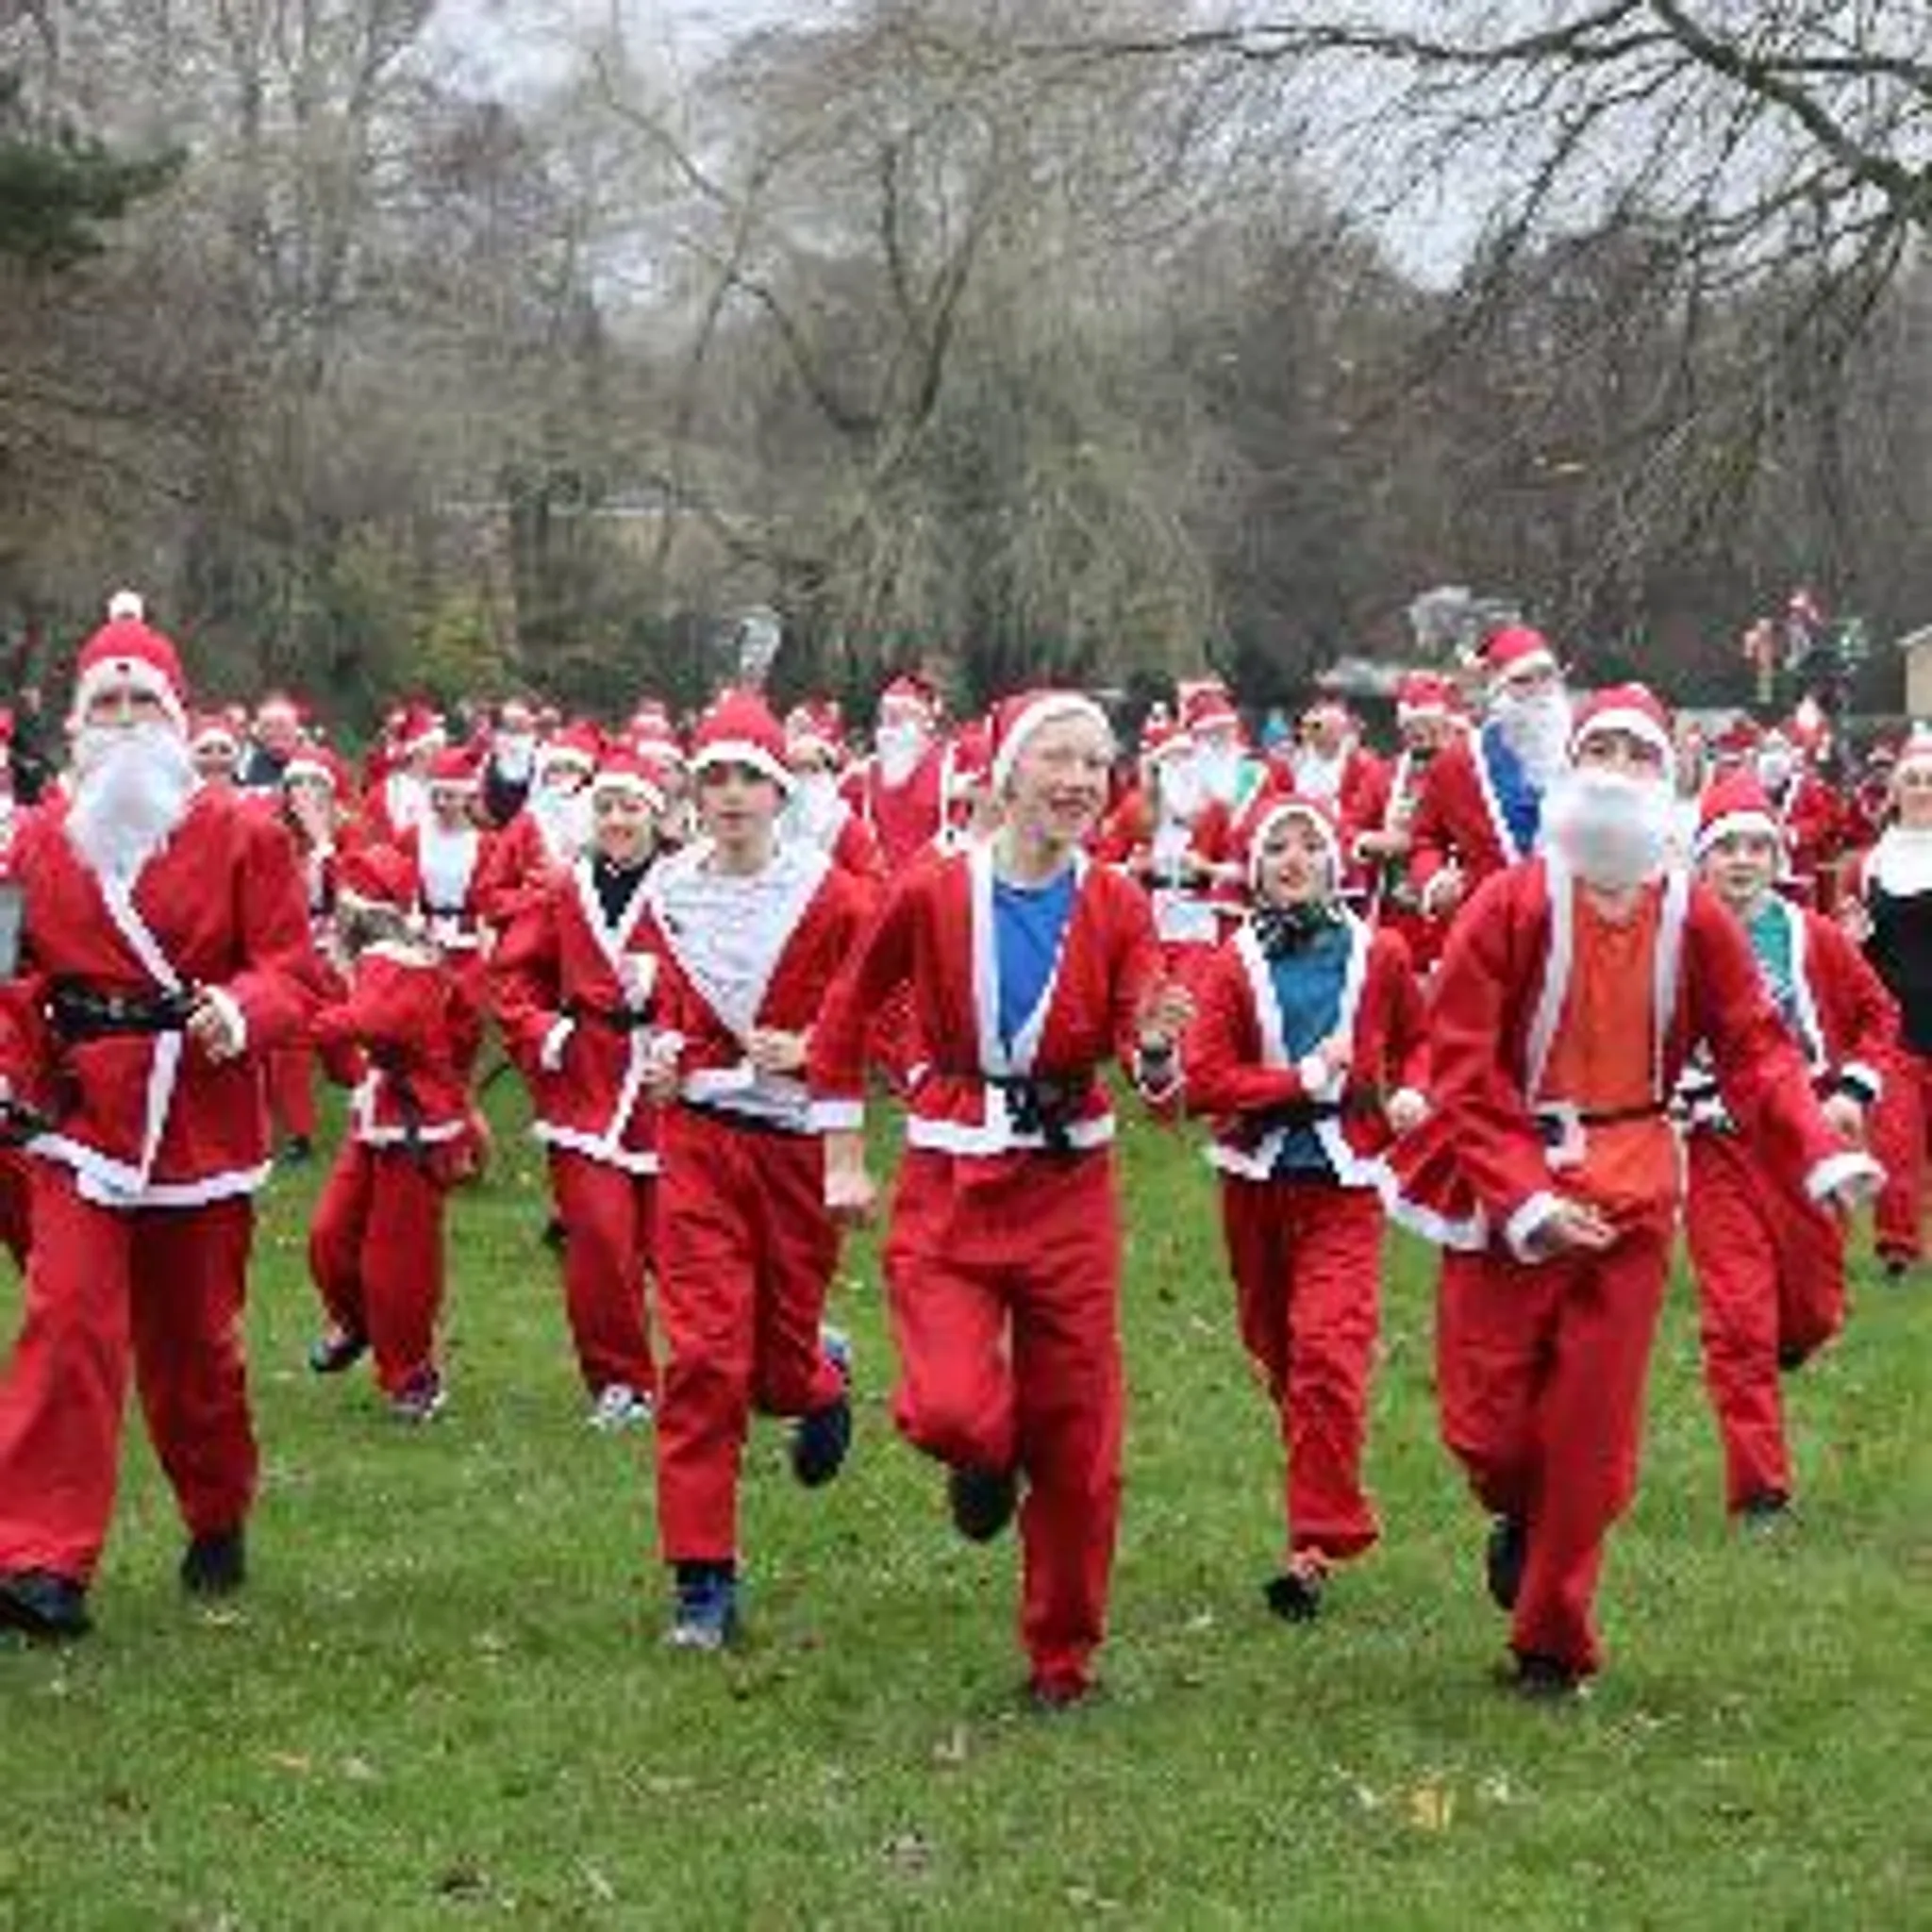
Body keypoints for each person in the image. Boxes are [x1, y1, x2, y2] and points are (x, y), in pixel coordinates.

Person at [1389, 685, 1877, 1696]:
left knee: (1593, 1440)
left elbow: (1752, 1047)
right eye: (1595, 747)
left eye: (1634, 752)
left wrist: (1815, 1149)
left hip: (1633, 1195)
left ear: (1666, 780)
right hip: (1508, 1190)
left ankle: (1549, 1642)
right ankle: (1517, 1510)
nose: (1613, 766)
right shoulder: (1509, 903)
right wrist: (1524, 1196)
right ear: (1568, 768)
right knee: (1483, 1425)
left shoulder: (1691, 914)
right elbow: (1463, 1064)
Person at [811, 690, 1190, 1709]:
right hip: (950, 1181)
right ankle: (981, 1456)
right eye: (1055, 758)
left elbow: (1140, 1035)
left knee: (1080, 1439)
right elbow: (841, 1014)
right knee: (946, 1406)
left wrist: (1154, 1051)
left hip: (1068, 1184)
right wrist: (844, 1155)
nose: (1076, 780)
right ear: (1006, 775)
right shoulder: (933, 890)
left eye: (1094, 762)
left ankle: (1060, 1657)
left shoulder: (1114, 900)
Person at [0, 612, 317, 1640]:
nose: (127, 722)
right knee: (68, 1323)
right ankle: (38, 1561)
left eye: (145, 703)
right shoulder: (42, 838)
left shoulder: (243, 832)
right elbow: (18, 981)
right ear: (83, 722)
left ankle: (216, 1508)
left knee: (193, 1354)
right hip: (79, 1116)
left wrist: (243, 1011)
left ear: (178, 719)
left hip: (198, 1118)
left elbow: (293, 971)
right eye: (108, 705)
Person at [641, 690, 874, 1650]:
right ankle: (702, 1578)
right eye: (714, 777)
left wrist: (815, 1045)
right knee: (701, 1358)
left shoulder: (837, 897)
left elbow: (889, 1025)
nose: (730, 794)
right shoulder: (666, 893)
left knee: (772, 1367)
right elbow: (657, 1008)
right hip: (697, 1139)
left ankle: (819, 1378)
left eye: (748, 776)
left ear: (779, 791)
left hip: (792, 1148)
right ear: (693, 791)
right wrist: (658, 1052)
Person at [1184, 792, 1428, 1621]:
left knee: (1328, 1350)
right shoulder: (1229, 963)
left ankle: (1314, 1541)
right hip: (1254, 1181)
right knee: (1279, 1353)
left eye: (1309, 845)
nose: (1295, 859)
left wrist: (1415, 1091)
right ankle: (1319, 1499)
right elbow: (1207, 1080)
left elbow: (1423, 1038)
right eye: (1277, 848)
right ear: (1255, 870)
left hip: (1346, 1181)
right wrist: (1302, 1080)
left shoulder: (1381, 952)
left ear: (1334, 861)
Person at [1680, 772, 1897, 1523]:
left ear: (1777, 857)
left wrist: (1852, 1092)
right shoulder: (1676, 935)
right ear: (1700, 859)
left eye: (1755, 847)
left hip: (1801, 1139)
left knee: (1809, 1307)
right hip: (1716, 1144)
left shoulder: (1813, 936)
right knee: (1737, 1319)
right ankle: (1759, 1490)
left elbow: (1877, 1014)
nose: (1741, 860)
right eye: (1725, 848)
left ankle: (1797, 1337)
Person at [491, 748, 671, 1429]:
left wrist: (672, 1001)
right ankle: (621, 1381)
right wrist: (542, 1030)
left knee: (677, 1247)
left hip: (666, 1084)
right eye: (605, 807)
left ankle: (762, 1354)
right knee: (598, 1240)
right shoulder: (565, 889)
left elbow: (726, 976)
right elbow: (512, 976)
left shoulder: (686, 885)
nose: (618, 820)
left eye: (631, 807)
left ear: (656, 815)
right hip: (586, 1082)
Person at [306, 845, 475, 1423]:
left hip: (415, 1129)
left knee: (396, 1262)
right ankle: (357, 1326)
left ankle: (412, 1375)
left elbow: (369, 1020)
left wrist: (295, 1021)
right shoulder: (376, 957)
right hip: (379, 1117)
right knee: (331, 1235)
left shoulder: (398, 960)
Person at [1407, 626, 1571, 924]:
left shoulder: (1588, 751)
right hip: (1490, 927)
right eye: (1522, 681)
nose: (1538, 691)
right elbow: (1423, 838)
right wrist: (1433, 881)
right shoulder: (1458, 762)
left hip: (1576, 929)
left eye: (1546, 676)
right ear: (1498, 691)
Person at [1843, 727, 1932, 1276]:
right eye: (1914, 781)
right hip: (1896, 1026)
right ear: (1895, 791)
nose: (1923, 790)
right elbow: (1851, 952)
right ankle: (1898, 1250)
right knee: (1896, 1144)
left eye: (1931, 781)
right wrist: (1850, 939)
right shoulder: (1868, 865)